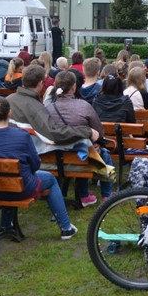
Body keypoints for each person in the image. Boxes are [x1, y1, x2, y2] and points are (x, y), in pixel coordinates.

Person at [0, 97, 78, 240]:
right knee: (50, 180)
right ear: (10, 113)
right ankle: (66, 228)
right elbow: (35, 165)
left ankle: (4, 226)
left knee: (9, 179)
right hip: (20, 187)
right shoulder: (21, 136)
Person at [48, 70, 112, 206]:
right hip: (82, 157)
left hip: (54, 158)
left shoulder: (48, 108)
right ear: (74, 87)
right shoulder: (84, 106)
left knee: (86, 148)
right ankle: (106, 195)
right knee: (100, 152)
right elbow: (100, 133)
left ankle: (85, 194)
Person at [5, 64, 99, 154]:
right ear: (41, 83)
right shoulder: (36, 107)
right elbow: (53, 133)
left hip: (7, 151)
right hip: (24, 154)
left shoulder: (8, 100)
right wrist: (87, 132)